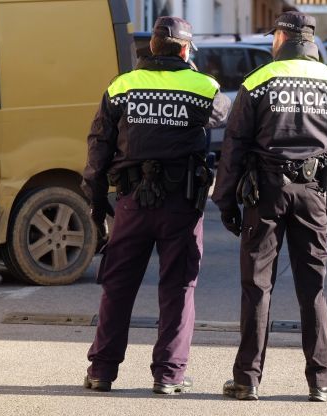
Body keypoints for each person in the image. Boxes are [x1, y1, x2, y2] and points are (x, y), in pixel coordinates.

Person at [212, 11, 327, 402]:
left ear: (283, 38)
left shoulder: (259, 81)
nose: (270, 43)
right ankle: (323, 382)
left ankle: (247, 381)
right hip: (314, 194)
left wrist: (224, 200)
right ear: (310, 41)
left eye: (273, 37)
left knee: (256, 288)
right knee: (312, 288)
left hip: (264, 193)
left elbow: (233, 148)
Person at [81, 16, 230, 394]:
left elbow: (98, 148)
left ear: (151, 48)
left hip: (131, 203)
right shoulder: (203, 86)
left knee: (117, 287)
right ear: (185, 50)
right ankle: (168, 376)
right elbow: (227, 119)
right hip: (181, 204)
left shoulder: (122, 86)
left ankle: (101, 372)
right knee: (178, 288)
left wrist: (98, 205)